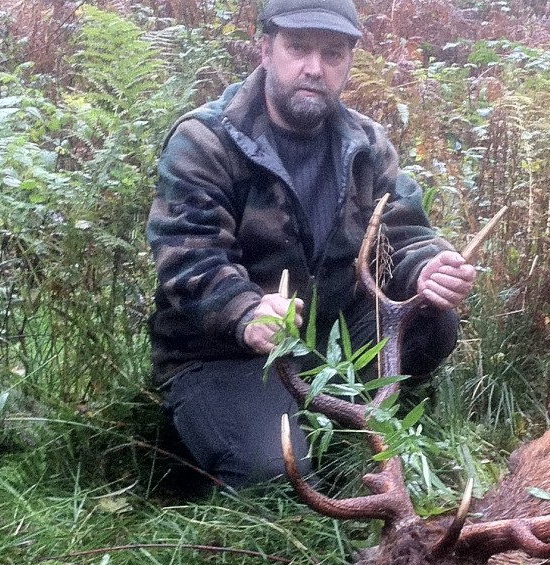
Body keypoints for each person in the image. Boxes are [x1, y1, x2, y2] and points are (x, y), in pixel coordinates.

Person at [146, 0, 475, 488]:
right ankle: (221, 430)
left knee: (432, 318)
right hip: (221, 352)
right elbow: (188, 256)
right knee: (277, 476)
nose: (314, 68)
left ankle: (338, 423)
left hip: (328, 339)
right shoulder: (207, 141)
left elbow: (404, 233)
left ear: (348, 62)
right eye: (298, 48)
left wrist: (427, 267)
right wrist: (245, 312)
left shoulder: (365, 143)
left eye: (333, 53)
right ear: (266, 49)